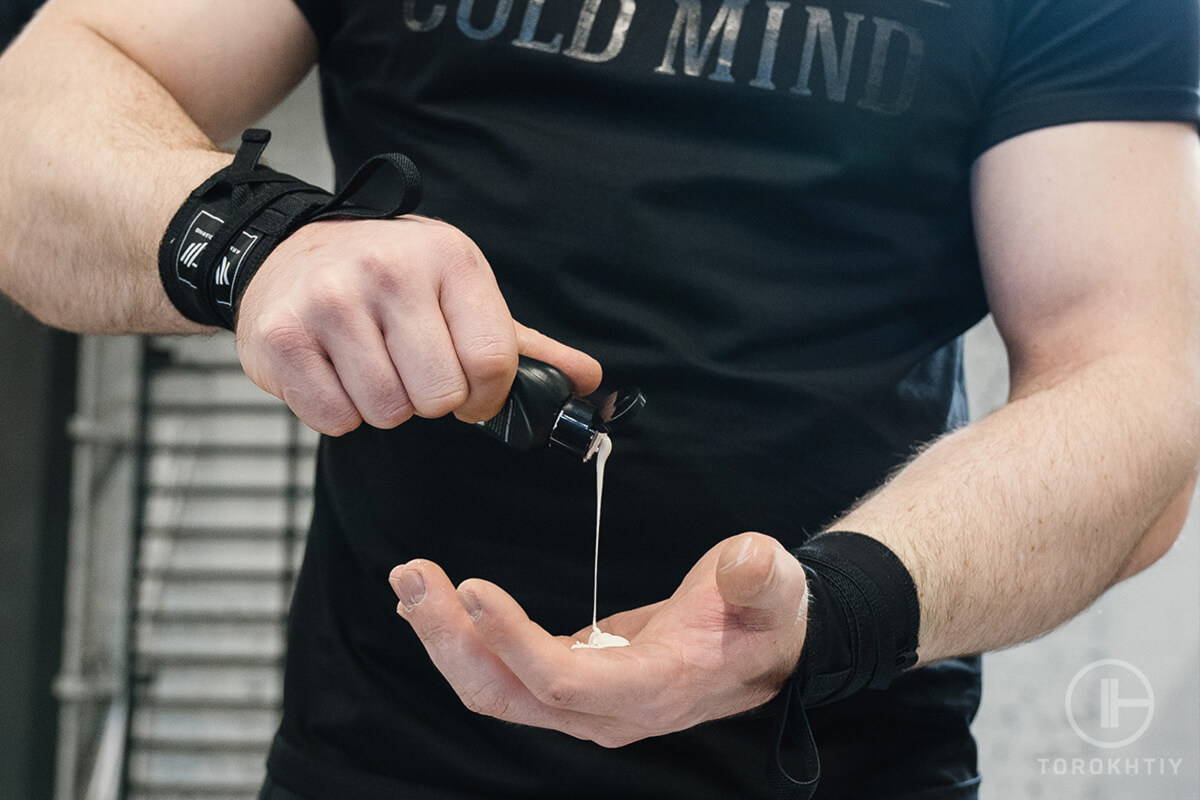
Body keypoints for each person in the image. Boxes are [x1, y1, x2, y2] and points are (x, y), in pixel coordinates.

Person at [2, 0, 1198, 797]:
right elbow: (33, 120)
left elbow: (1136, 379)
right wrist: (255, 239)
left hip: (836, 758)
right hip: (383, 762)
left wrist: (829, 610)